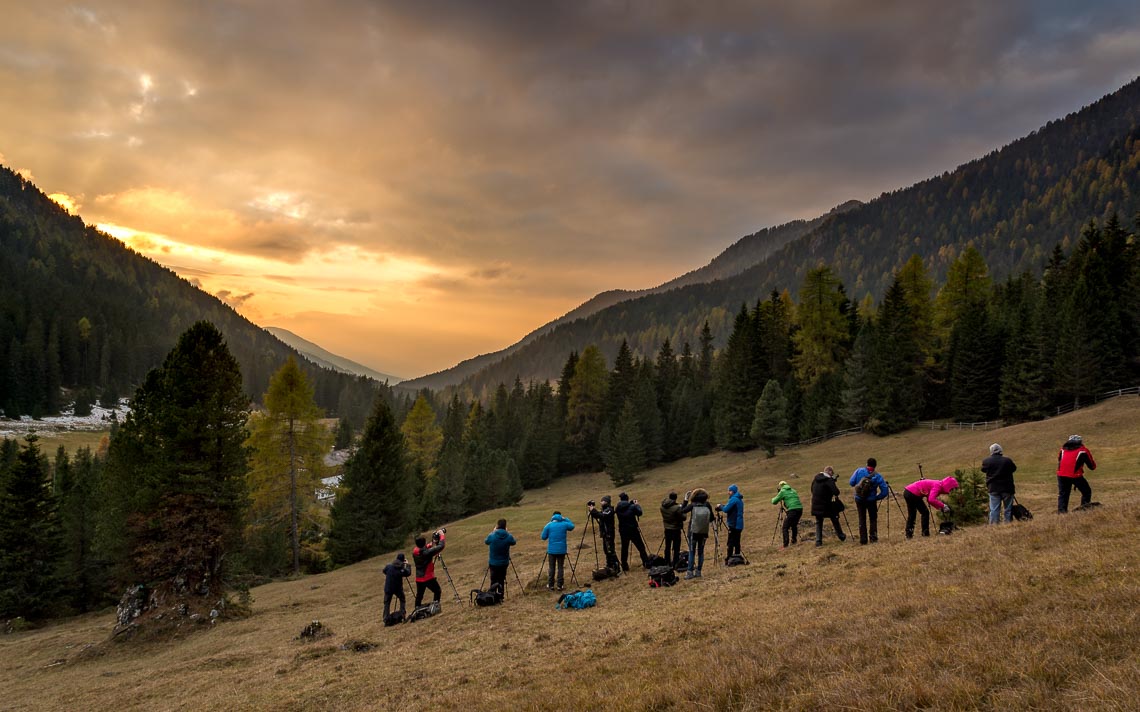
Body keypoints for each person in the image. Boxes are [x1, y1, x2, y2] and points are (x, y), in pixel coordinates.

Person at [848, 458, 889, 544]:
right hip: (871, 500)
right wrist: (876, 497)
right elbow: (885, 491)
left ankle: (863, 540)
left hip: (859, 499)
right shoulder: (877, 476)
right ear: (875, 466)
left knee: (862, 518)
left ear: (867, 464)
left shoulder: (859, 471)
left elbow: (851, 482)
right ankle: (873, 538)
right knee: (873, 518)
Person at [1056, 434, 1097, 513]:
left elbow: (1059, 459)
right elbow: (1092, 466)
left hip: (1061, 474)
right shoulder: (1083, 450)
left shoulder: (1062, 449)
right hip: (1075, 475)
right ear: (1080, 442)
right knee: (1086, 492)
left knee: (1063, 494)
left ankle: (1062, 513)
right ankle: (1084, 510)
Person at [680, 488, 713, 578]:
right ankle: (698, 571)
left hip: (693, 532)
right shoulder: (707, 505)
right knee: (701, 552)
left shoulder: (693, 505)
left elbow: (682, 511)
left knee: (692, 552)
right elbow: (711, 518)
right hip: (703, 532)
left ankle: (690, 572)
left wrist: (685, 500)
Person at [981, 443, 1017, 524]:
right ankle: (1008, 524)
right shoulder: (1007, 460)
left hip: (993, 488)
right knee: (1008, 508)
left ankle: (994, 525)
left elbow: (983, 470)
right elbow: (1014, 469)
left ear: (991, 451)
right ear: (1001, 450)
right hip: (1007, 488)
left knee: (994, 509)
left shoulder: (986, 461)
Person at [810, 467, 846, 547]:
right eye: (832, 473)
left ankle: (818, 541)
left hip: (816, 503)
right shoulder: (828, 480)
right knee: (834, 519)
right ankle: (841, 536)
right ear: (830, 472)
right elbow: (836, 492)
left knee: (819, 522)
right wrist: (832, 482)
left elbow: (812, 489)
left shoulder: (815, 479)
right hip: (827, 504)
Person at [540, 511, 575, 591]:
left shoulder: (549, 525)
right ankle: (560, 585)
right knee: (560, 567)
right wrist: (565, 519)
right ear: (560, 516)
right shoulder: (564, 524)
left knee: (551, 568)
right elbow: (572, 526)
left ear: (553, 516)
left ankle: (551, 585)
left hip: (552, 550)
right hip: (562, 550)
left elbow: (543, 537)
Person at [615, 492, 649, 571]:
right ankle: (646, 562)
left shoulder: (617, 508)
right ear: (627, 498)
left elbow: (625, 507)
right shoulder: (632, 507)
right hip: (633, 530)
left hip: (623, 531)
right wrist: (636, 505)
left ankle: (624, 566)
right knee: (641, 547)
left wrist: (631, 504)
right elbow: (639, 513)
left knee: (624, 548)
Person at [412, 529, 446, 607]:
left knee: (419, 595)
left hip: (419, 578)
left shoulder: (415, 551)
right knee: (437, 591)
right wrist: (442, 535)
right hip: (427, 577)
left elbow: (423, 549)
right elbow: (441, 546)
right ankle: (435, 607)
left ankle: (417, 608)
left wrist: (431, 543)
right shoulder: (427, 553)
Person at [588, 495, 620, 572]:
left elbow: (602, 516)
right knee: (606, 550)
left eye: (602, 501)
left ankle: (616, 567)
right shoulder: (604, 510)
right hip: (605, 533)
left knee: (610, 550)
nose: (601, 502)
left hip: (609, 533)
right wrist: (592, 512)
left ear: (606, 502)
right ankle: (609, 565)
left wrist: (593, 510)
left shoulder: (609, 510)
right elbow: (599, 515)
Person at [485, 518, 516, 592]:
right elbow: (513, 542)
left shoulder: (492, 536)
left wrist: (493, 531)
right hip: (504, 562)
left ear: (497, 525)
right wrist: (507, 532)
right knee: (501, 579)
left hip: (493, 562)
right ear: (505, 526)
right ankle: (501, 596)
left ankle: (492, 594)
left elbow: (486, 541)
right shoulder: (508, 536)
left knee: (493, 579)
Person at [770, 481, 803, 548]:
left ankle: (785, 545)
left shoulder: (782, 491)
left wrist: (776, 495)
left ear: (780, 486)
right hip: (800, 509)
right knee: (794, 525)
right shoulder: (793, 490)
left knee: (785, 527)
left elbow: (774, 502)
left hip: (792, 509)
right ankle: (794, 541)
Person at [717, 484, 745, 559]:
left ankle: (729, 558)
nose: (728, 492)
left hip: (734, 524)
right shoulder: (739, 499)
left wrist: (720, 506)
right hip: (739, 524)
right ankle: (737, 557)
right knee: (737, 542)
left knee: (730, 542)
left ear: (733, 491)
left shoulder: (734, 499)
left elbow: (726, 509)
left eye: (730, 491)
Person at [381, 552, 411, 621]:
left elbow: (384, 571)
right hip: (397, 588)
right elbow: (408, 573)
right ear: (403, 560)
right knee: (402, 599)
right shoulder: (401, 569)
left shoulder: (389, 566)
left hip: (388, 587)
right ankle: (402, 614)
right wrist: (407, 565)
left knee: (387, 602)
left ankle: (386, 618)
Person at [660, 491, 686, 568]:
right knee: (676, 547)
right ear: (676, 498)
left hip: (667, 528)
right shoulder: (676, 508)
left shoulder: (662, 506)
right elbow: (683, 517)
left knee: (667, 546)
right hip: (676, 529)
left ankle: (667, 561)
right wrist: (682, 509)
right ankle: (675, 562)